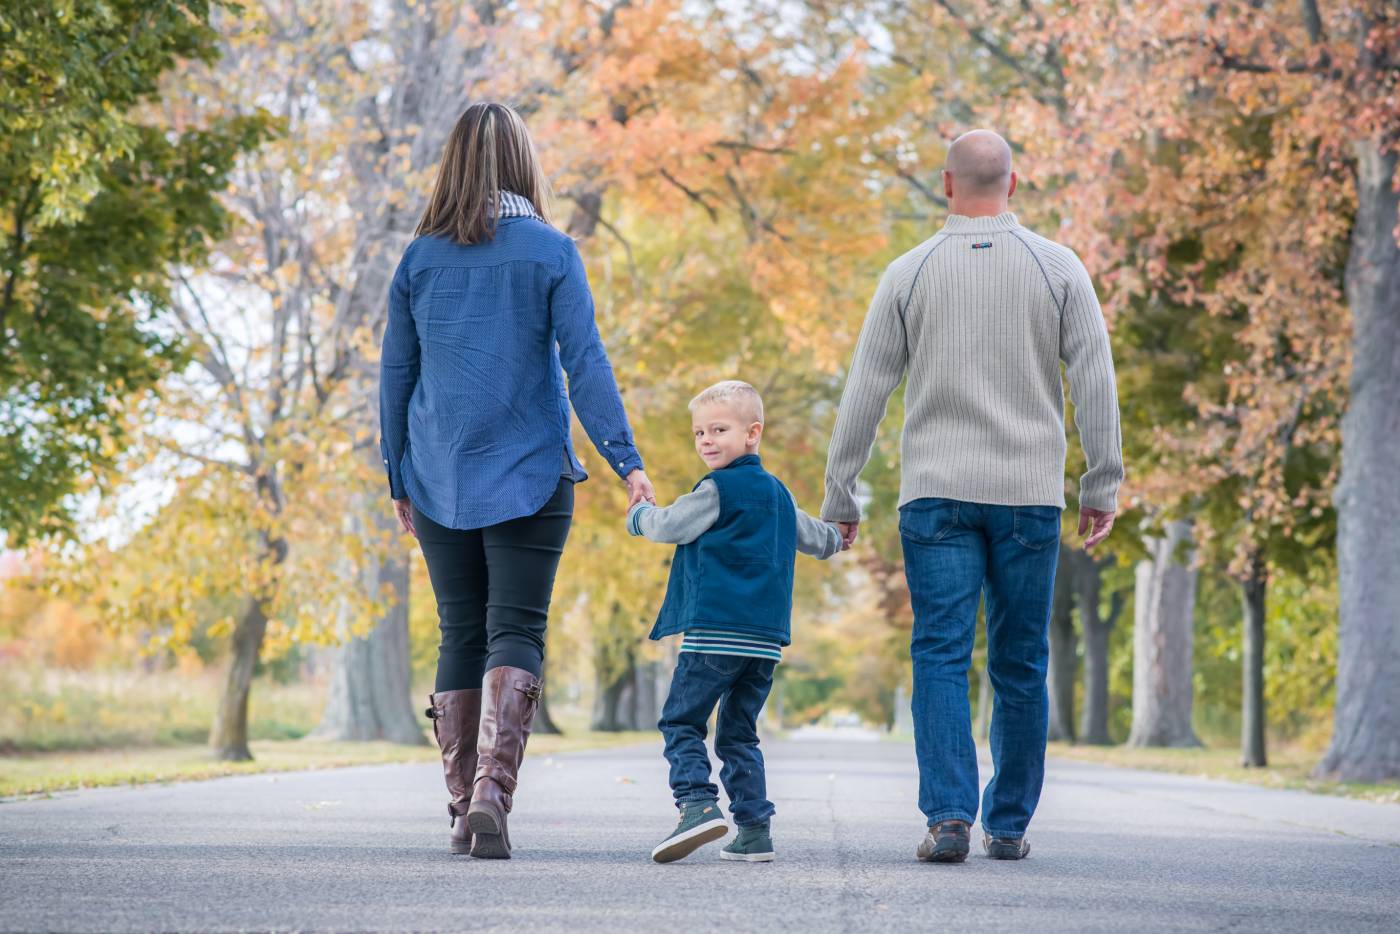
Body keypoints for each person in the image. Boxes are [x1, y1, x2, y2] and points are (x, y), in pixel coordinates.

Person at [821, 129, 1124, 862]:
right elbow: (1095, 381)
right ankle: (1010, 823)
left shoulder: (909, 272)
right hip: (1028, 496)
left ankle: (949, 817)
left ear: (947, 187)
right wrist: (1101, 481)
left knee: (940, 655)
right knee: (1020, 662)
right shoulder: (1058, 268)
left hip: (935, 494)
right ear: (1012, 185)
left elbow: (866, 389)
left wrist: (841, 492)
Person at [379, 101, 655, 859]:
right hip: (531, 470)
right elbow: (585, 360)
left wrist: (396, 471)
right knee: (515, 630)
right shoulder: (550, 249)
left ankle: (461, 802)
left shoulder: (419, 258)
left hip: (439, 471)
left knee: (460, 630)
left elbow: (396, 373)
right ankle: (493, 797)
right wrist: (624, 459)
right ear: (524, 164)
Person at [626, 380, 843, 864]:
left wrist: (638, 515)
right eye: (699, 432)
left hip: (715, 633)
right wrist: (837, 537)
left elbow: (670, 525)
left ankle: (697, 804)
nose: (705, 440)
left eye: (718, 429)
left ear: (752, 433)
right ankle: (753, 831)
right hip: (765, 644)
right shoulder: (780, 495)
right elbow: (818, 538)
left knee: (680, 720)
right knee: (738, 733)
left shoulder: (715, 489)